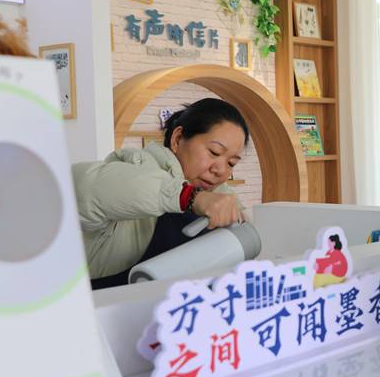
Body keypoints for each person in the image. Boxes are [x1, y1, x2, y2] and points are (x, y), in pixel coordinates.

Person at [73, 98, 248, 289]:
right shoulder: (136, 166)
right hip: (104, 305)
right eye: (214, 152)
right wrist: (188, 197)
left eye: (231, 163)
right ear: (177, 139)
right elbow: (83, 186)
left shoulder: (222, 196)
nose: (221, 170)